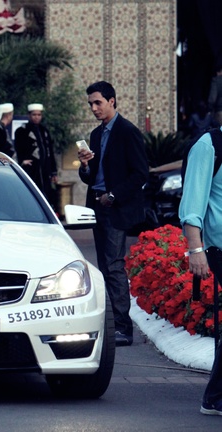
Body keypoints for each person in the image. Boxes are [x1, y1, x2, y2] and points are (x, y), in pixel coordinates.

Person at [77, 81, 148, 347]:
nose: (94, 108)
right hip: (97, 205)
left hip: (115, 208)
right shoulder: (96, 135)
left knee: (115, 266)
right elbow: (90, 177)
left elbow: (140, 173)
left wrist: (114, 195)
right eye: (90, 104)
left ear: (112, 101)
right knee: (104, 267)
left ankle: (123, 328)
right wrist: (84, 165)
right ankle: (110, 324)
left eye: (98, 102)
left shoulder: (127, 131)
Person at [179, 123, 222, 416]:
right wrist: (196, 249)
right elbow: (192, 204)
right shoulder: (209, 145)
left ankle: (216, 395)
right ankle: (215, 397)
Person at [15, 103, 58, 209]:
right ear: (29, 115)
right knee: (32, 193)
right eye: (34, 115)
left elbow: (50, 151)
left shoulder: (44, 131)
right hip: (31, 169)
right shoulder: (22, 131)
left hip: (45, 169)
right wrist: (22, 160)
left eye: (39, 115)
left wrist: (53, 171)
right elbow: (18, 149)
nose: (37, 117)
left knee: (46, 192)